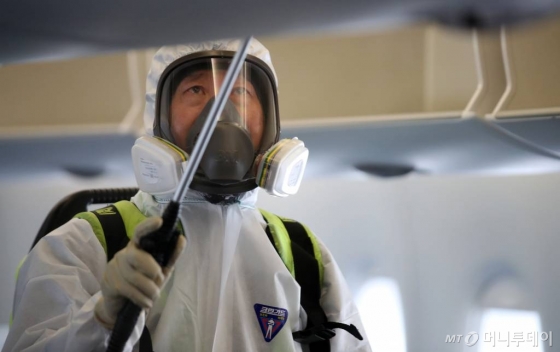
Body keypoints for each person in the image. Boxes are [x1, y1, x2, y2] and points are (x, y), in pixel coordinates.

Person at [4, 38, 371, 352]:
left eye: (240, 92)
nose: (222, 113)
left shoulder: (304, 254)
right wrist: (102, 319)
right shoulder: (81, 246)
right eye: (197, 90)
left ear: (269, 117)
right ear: (160, 116)